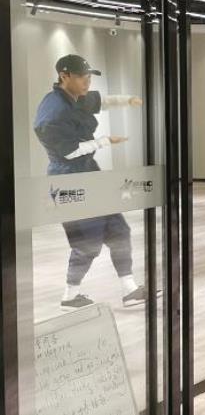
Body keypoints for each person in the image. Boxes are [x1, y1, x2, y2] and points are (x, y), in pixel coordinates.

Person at [34, 54, 152, 311]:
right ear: (64, 76)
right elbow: (69, 152)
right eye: (82, 77)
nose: (87, 82)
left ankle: (130, 290)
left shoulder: (75, 96)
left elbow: (102, 101)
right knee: (86, 242)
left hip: (89, 173)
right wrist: (105, 141)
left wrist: (129, 100)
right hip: (68, 179)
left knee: (119, 230)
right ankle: (70, 296)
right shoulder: (53, 112)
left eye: (89, 76)